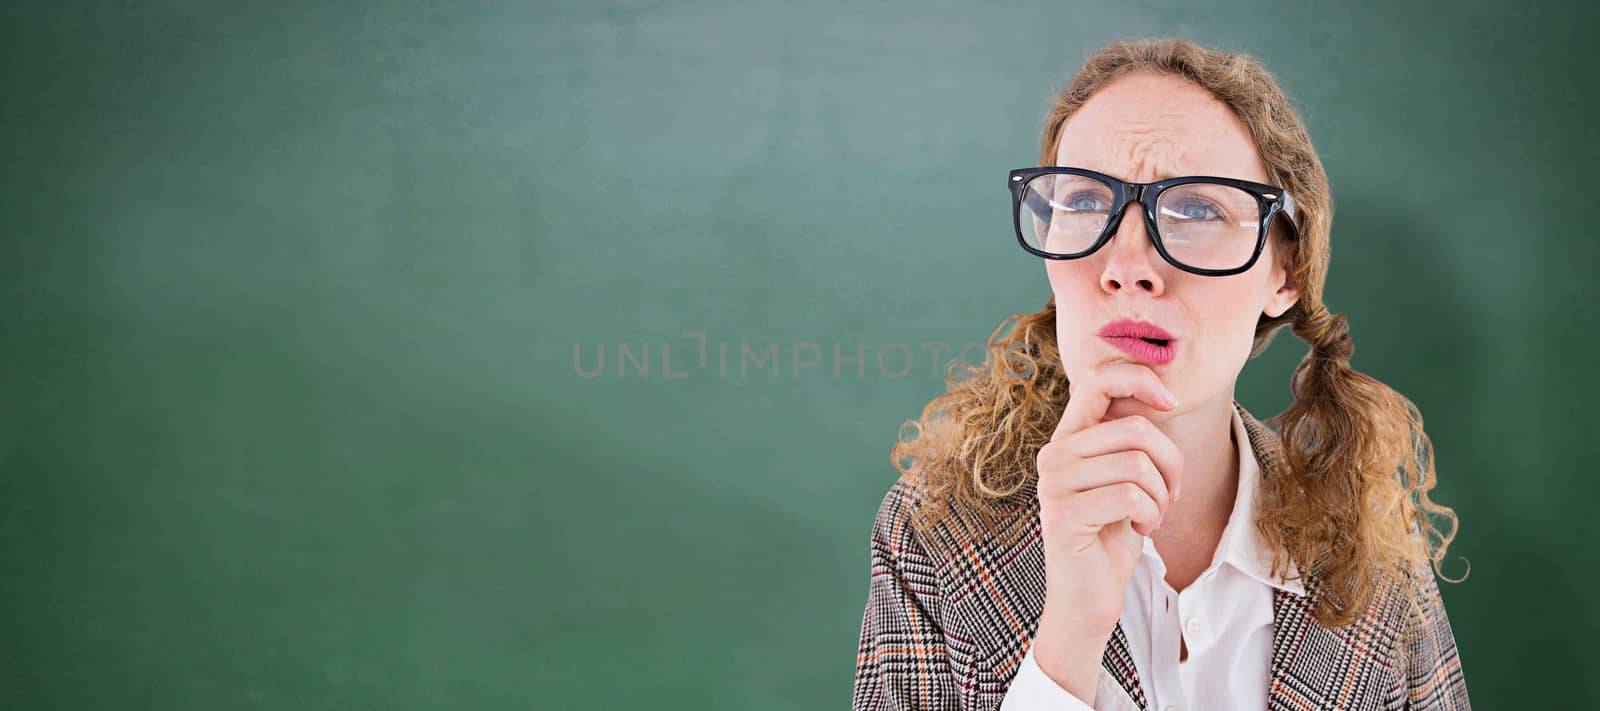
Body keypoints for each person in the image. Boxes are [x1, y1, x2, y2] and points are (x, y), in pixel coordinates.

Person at [852, 38, 1469, 711]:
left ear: (1285, 271)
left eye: (1198, 209)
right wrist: (1067, 642)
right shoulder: (938, 528)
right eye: (1085, 201)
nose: (1126, 263)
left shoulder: (1372, 554)